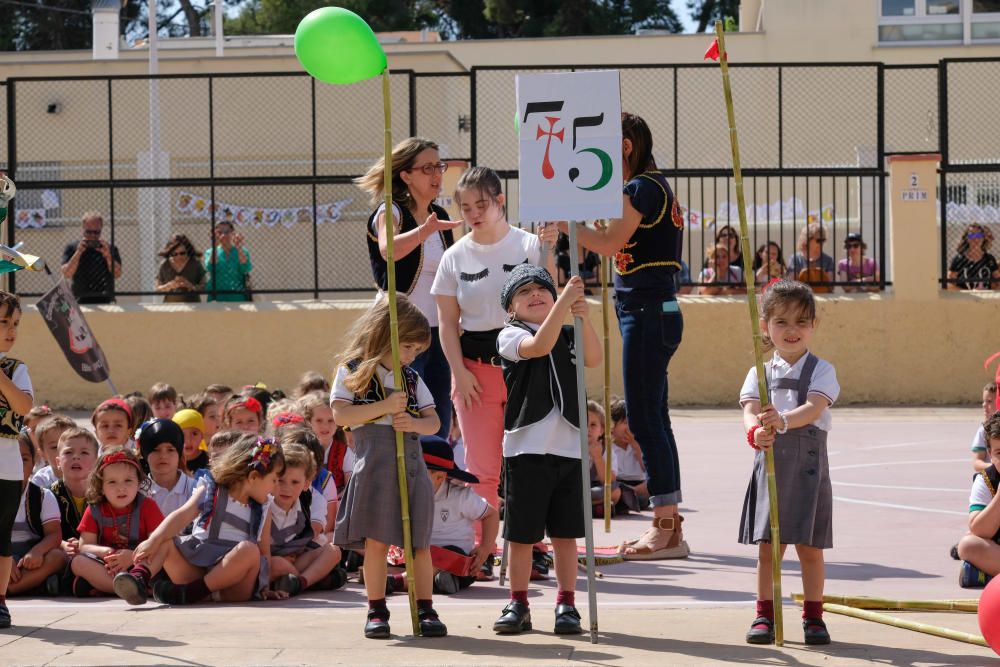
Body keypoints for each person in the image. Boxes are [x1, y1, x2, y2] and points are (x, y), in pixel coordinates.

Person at [560, 113, 687, 560]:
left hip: (648, 310)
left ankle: (666, 526)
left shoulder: (642, 188)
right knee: (654, 417)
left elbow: (610, 243)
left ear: (627, 147)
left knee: (645, 419)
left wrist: (566, 225)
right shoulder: (652, 187)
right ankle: (669, 525)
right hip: (654, 308)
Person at [431, 166, 558, 539]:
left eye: (481, 204)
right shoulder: (454, 256)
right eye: (465, 206)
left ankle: (529, 546)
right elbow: (447, 324)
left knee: (529, 463)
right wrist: (460, 372)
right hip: (475, 372)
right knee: (483, 467)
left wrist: (548, 251)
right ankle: (482, 546)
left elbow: (549, 300)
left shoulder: (529, 245)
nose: (473, 213)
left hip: (526, 366)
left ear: (500, 201)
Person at [492, 265, 601, 635]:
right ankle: (518, 602)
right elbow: (539, 347)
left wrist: (582, 316)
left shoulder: (568, 332)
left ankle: (567, 602)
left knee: (566, 535)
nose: (535, 294)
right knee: (522, 535)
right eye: (524, 292)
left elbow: (594, 359)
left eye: (542, 288)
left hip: (569, 447)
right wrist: (563, 304)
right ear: (511, 308)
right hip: (526, 449)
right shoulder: (509, 335)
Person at [330, 296, 446, 639]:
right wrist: (383, 407)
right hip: (375, 466)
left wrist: (412, 422)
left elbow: (434, 422)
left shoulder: (410, 379)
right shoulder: (352, 371)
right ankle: (376, 610)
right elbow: (341, 415)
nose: (411, 356)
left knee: (419, 544)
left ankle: (425, 606)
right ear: (386, 336)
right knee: (377, 542)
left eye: (416, 350)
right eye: (407, 346)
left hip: (410, 466)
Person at [739, 280, 840, 646]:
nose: (792, 330)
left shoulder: (822, 370)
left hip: (808, 469)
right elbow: (750, 411)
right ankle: (764, 614)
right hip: (770, 467)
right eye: (781, 322)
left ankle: (814, 617)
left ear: (814, 325)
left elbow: (814, 407)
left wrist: (781, 421)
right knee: (769, 550)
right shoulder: (759, 372)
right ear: (765, 325)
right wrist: (755, 434)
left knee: (810, 549)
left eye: (801, 321)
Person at [357, 137, 460, 439]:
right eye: (427, 168)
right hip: (399, 334)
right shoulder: (392, 210)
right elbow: (388, 250)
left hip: (437, 333)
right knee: (404, 420)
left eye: (439, 167)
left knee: (437, 418)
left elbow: (450, 272)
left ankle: (434, 483)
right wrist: (424, 230)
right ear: (406, 175)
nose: (437, 175)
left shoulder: (440, 216)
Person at [124, 434, 284, 606]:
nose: (276, 487)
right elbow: (181, 515)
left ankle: (192, 594)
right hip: (197, 569)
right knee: (165, 540)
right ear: (253, 477)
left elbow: (264, 553)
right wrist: (153, 540)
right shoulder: (211, 489)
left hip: (233, 587)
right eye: (274, 480)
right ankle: (138, 578)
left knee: (250, 550)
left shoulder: (263, 509)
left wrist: (265, 588)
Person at [70, 448, 164, 598]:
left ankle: (120, 584)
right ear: (101, 487)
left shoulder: (148, 506)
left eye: (128, 480)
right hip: (108, 565)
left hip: (141, 564)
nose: (121, 488)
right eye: (112, 482)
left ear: (139, 482)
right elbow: (84, 545)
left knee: (164, 549)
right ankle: (129, 589)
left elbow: (157, 541)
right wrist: (104, 552)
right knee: (78, 562)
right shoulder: (94, 509)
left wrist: (132, 557)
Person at [268, 441, 344, 596]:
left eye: (295, 482)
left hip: (296, 560)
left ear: (306, 484)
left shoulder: (305, 503)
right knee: (277, 564)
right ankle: (315, 579)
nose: (286, 488)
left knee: (334, 551)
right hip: (270, 562)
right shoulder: (265, 505)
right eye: (281, 480)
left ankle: (300, 583)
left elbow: (312, 534)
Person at [0, 291, 34, 627]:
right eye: (3, 322)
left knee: (1, 536)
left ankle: (0, 601)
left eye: (16, 324)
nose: (11, 330)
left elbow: (23, 407)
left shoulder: (15, 368)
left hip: (5, 467)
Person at [6, 433, 64, 597]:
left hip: (29, 561)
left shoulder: (43, 496)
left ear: (33, 463)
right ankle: (33, 585)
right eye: (9, 459)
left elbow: (54, 534)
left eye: (23, 459)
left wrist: (37, 551)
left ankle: (10, 589)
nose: (17, 465)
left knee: (57, 557)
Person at [957, 412, 1000, 588]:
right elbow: (979, 530)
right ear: (990, 453)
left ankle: (989, 576)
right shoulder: (986, 480)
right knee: (968, 545)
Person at [50, 429, 99, 551]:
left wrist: (84, 545)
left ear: (96, 462)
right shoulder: (48, 495)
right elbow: (44, 533)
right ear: (58, 462)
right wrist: (64, 545)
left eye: (84, 453)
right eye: (68, 452)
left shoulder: (103, 494)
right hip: (62, 553)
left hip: (94, 551)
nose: (76, 457)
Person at [139, 419, 197, 518]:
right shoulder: (138, 491)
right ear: (145, 454)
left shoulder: (195, 489)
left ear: (179, 453)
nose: (163, 456)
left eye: (170, 450)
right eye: (155, 450)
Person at [60, 212, 122, 304]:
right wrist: (78, 253)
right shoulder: (73, 247)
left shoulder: (109, 248)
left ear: (101, 229)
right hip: (80, 301)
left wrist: (108, 256)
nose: (92, 236)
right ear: (83, 229)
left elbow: (117, 274)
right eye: (88, 232)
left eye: (96, 232)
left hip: (105, 300)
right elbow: (67, 274)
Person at [204, 221, 252, 302]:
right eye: (219, 232)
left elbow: (246, 268)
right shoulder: (210, 252)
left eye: (227, 232)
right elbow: (210, 267)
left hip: (237, 296)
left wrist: (238, 247)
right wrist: (215, 245)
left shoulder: (242, 251)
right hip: (216, 296)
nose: (223, 235)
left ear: (232, 233)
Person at [948, 222, 999, 291]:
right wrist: (970, 293)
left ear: (983, 238)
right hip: (965, 299)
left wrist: (988, 291)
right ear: (967, 238)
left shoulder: (989, 259)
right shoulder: (959, 259)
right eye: (971, 235)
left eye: (978, 235)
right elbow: (949, 284)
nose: (975, 239)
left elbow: (998, 282)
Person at [156, 234, 206, 303]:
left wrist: (190, 286)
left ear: (188, 251)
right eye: (174, 254)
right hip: (170, 308)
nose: (178, 257)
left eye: (182, 253)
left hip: (193, 306)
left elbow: (204, 287)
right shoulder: (165, 265)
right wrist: (169, 286)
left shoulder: (195, 264)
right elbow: (158, 289)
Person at [30, 415, 75, 490]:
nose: (63, 451)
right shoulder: (41, 480)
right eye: (55, 447)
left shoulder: (87, 475)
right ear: (42, 453)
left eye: (69, 445)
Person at [787, 223, 834, 293]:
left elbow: (830, 287)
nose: (821, 243)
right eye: (818, 240)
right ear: (807, 240)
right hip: (802, 300)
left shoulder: (828, 260)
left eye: (823, 240)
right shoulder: (795, 259)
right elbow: (792, 284)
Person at [173, 409, 209, 474]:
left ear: (202, 436)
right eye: (182, 435)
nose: (188, 440)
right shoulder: (171, 462)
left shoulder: (210, 461)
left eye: (194, 434)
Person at [973, 383, 999, 473]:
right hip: (993, 479)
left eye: (989, 401)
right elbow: (976, 462)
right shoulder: (983, 430)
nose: (984, 405)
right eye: (984, 401)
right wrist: (994, 465)